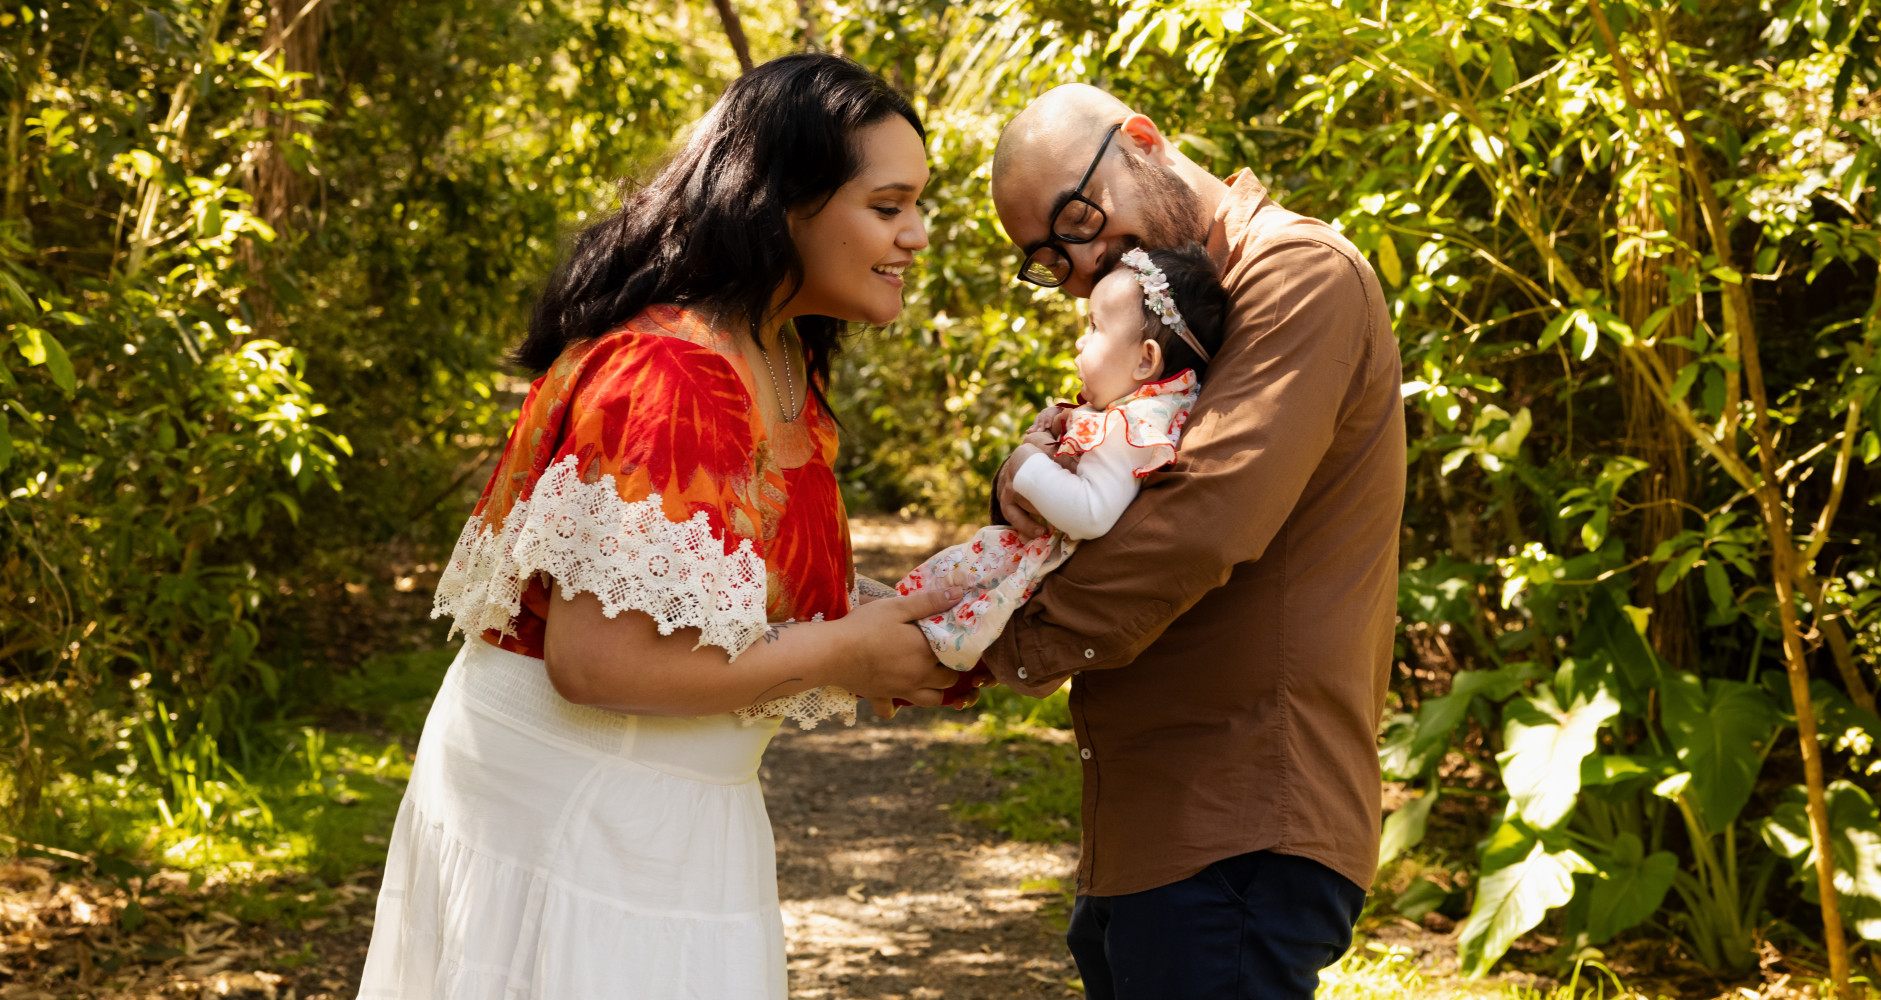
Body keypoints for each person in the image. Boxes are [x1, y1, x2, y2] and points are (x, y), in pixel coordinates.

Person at [357, 54, 965, 1000]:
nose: (917, 236)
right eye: (888, 207)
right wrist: (844, 655)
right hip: (575, 807)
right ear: (782, 205)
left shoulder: (781, 358)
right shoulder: (671, 375)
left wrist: (904, 623)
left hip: (680, 811)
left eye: (917, 206)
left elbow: (727, 588)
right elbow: (595, 662)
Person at [981, 86, 1406, 1000]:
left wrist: (998, 647)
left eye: (1080, 219)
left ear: (1143, 139)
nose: (1085, 261)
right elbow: (1101, 482)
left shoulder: (1295, 274)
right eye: (1049, 260)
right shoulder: (1157, 323)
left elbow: (1199, 520)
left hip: (1242, 822)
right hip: (1155, 821)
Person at [894, 244, 1228, 673]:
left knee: (937, 609)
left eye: (1093, 328)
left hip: (1039, 573)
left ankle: (869, 658)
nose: (1080, 340)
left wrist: (1027, 466)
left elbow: (1091, 512)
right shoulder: (1145, 411)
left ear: (1146, 359)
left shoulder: (1129, 429)